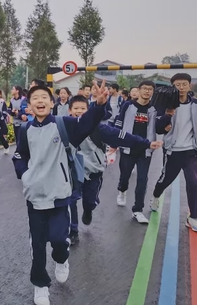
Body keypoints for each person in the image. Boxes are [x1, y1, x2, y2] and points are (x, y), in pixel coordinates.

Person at [13, 81, 109, 305]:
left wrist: (98, 106)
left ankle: (61, 259)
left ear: (51, 102)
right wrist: (25, 175)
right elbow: (20, 155)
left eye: (44, 97)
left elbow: (87, 124)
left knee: (58, 239)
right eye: (35, 98)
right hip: (35, 197)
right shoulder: (26, 129)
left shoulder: (63, 124)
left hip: (59, 195)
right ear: (30, 105)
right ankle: (40, 285)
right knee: (37, 245)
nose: (40, 101)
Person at [67, 95, 162, 244]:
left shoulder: (99, 129)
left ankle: (88, 210)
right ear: (69, 111)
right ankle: (73, 231)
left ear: (89, 111)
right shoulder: (65, 127)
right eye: (76, 108)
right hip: (71, 173)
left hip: (93, 172)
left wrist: (146, 143)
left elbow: (122, 136)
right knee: (70, 200)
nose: (79, 111)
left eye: (83, 109)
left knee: (89, 201)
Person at [151, 73, 197, 231]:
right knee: (165, 180)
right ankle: (156, 196)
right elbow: (158, 128)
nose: (181, 87)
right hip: (172, 150)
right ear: (173, 87)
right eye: (178, 85)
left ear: (190, 85)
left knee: (193, 182)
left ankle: (193, 217)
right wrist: (166, 117)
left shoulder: (195, 104)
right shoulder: (166, 105)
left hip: (190, 150)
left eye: (184, 84)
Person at [113, 80, 158, 224]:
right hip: (128, 148)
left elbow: (160, 126)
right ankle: (122, 190)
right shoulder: (128, 105)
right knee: (125, 176)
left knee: (142, 180)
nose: (147, 91)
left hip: (145, 150)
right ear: (138, 90)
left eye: (150, 89)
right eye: (144, 88)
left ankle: (137, 210)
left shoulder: (154, 109)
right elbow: (119, 122)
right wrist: (115, 142)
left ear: (153, 92)